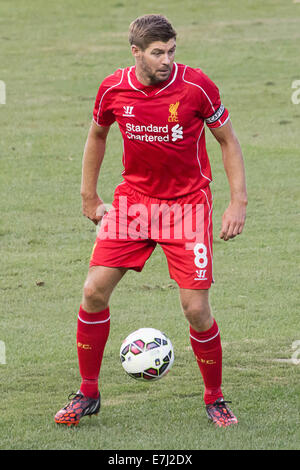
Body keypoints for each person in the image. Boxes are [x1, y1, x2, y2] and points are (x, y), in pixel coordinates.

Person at [54, 14, 247, 428]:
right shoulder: (113, 88)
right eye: (158, 53)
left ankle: (215, 398)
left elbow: (228, 141)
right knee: (93, 292)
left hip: (187, 206)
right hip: (135, 203)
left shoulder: (197, 87)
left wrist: (237, 202)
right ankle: (87, 393)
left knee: (196, 310)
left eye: (172, 50)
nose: (167, 60)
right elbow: (97, 135)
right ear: (136, 53)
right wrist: (89, 196)